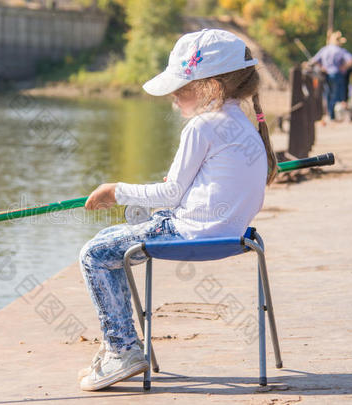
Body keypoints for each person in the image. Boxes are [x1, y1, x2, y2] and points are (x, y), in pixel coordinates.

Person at [78, 29, 277, 391]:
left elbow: (170, 192)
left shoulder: (201, 126)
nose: (172, 93)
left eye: (181, 85)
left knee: (93, 254)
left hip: (189, 234)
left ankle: (122, 351)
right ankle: (123, 347)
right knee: (110, 240)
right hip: (234, 236)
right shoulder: (244, 126)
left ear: (210, 86)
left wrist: (116, 191)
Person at [310, 31, 352, 120]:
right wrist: (344, 67)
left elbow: (314, 61)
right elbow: (351, 59)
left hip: (327, 75)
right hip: (337, 74)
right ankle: (334, 115)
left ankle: (331, 115)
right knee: (336, 95)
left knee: (328, 94)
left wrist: (322, 67)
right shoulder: (340, 50)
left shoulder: (325, 49)